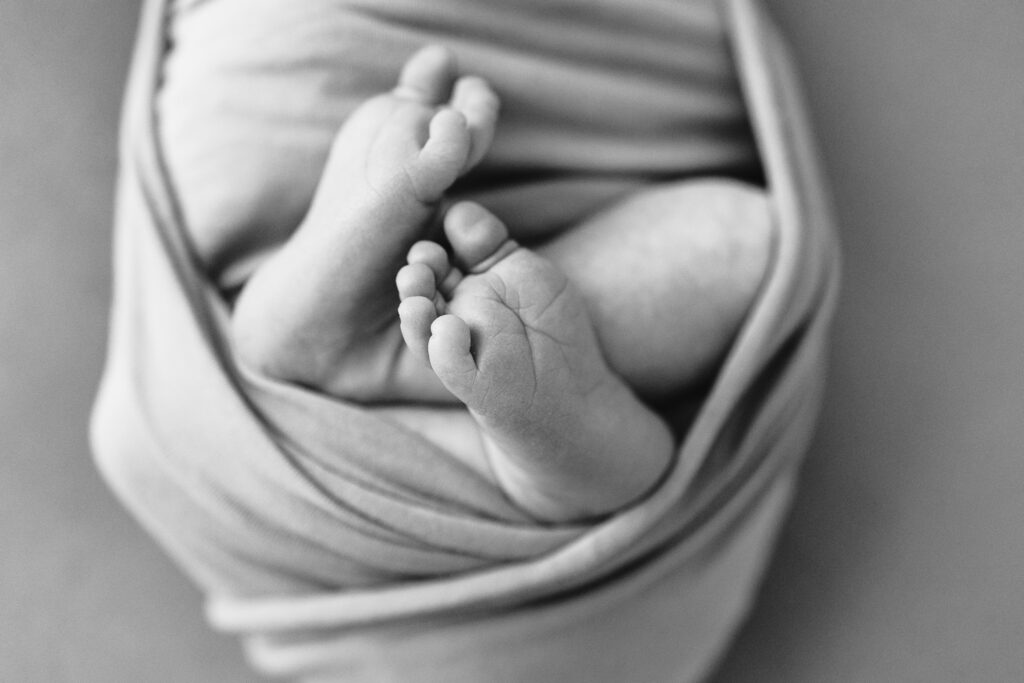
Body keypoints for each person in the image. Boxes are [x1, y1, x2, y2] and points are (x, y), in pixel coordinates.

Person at [229, 45, 774, 523]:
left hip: (273, 481)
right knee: (744, 243)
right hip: (310, 485)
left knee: (749, 244)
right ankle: (535, 421)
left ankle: (467, 387)